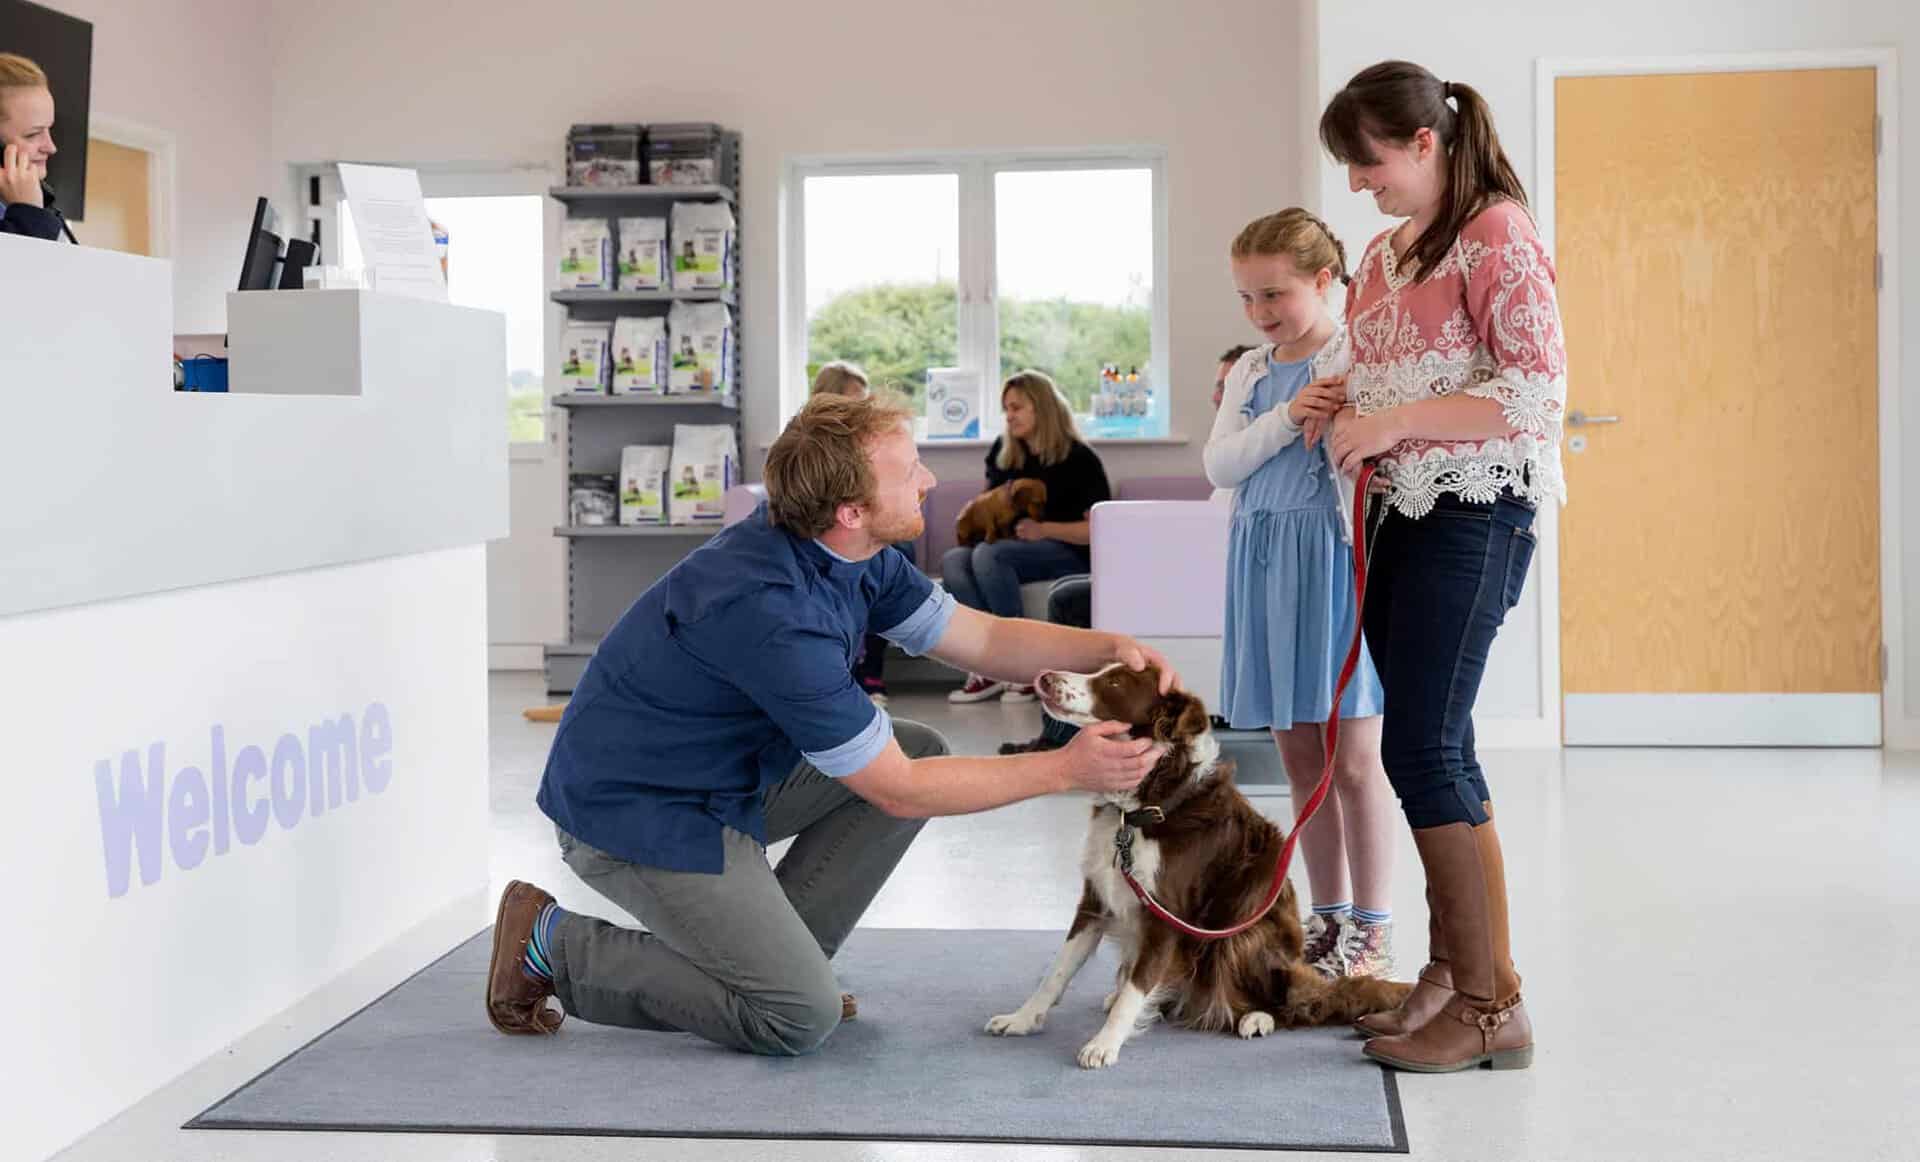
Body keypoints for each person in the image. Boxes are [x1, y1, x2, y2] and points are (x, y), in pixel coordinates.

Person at [490, 392, 1181, 1057]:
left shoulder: (853, 553)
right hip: (637, 812)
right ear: (852, 509)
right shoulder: (772, 611)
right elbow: (899, 791)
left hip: (723, 779)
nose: (930, 480)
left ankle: (776, 965)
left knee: (920, 745)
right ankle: (551, 942)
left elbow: (986, 640)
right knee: (795, 1017)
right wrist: (1065, 768)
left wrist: (1109, 648)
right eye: (910, 473)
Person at [1319, 60, 1566, 1072]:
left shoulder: (1497, 232)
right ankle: (1454, 971)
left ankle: (1491, 998)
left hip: (1474, 513)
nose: (1357, 186)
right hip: (1394, 517)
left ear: (1426, 142)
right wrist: (1339, 403)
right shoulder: (1381, 256)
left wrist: (1394, 417)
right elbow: (1382, 372)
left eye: (1369, 163)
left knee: (1423, 746)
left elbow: (1532, 396)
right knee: (1427, 742)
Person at [1205, 209, 1397, 981]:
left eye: (1275, 294)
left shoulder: (1358, 358)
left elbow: (1368, 466)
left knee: (1353, 761)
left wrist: (1344, 416)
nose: (1260, 314)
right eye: (1247, 298)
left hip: (1331, 565)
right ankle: (1327, 917)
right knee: (1302, 762)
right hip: (1262, 568)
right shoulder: (1253, 373)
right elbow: (1221, 466)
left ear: (1324, 281)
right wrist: (1289, 417)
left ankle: (1374, 928)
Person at [945, 370, 1112, 702]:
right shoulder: (1003, 453)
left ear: (1042, 407)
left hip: (1067, 551)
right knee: (954, 560)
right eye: (1006, 408)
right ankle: (985, 666)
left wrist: (1044, 530)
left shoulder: (1079, 459)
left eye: (1017, 407)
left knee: (990, 555)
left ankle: (1019, 665)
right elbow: (985, 505)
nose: (1009, 416)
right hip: (1011, 548)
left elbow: (1099, 532)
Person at [809, 360, 907, 703]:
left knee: (892, 557)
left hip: (862, 534)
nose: (862, 409)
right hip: (824, 538)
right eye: (854, 400)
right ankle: (845, 676)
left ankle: (870, 672)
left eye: (865, 400)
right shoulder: (806, 446)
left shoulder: (869, 445)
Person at [0, 54, 66, 241]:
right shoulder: (33, 217)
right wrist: (29, 216)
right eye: (32, 134)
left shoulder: (46, 216)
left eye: (48, 129)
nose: (51, 147)